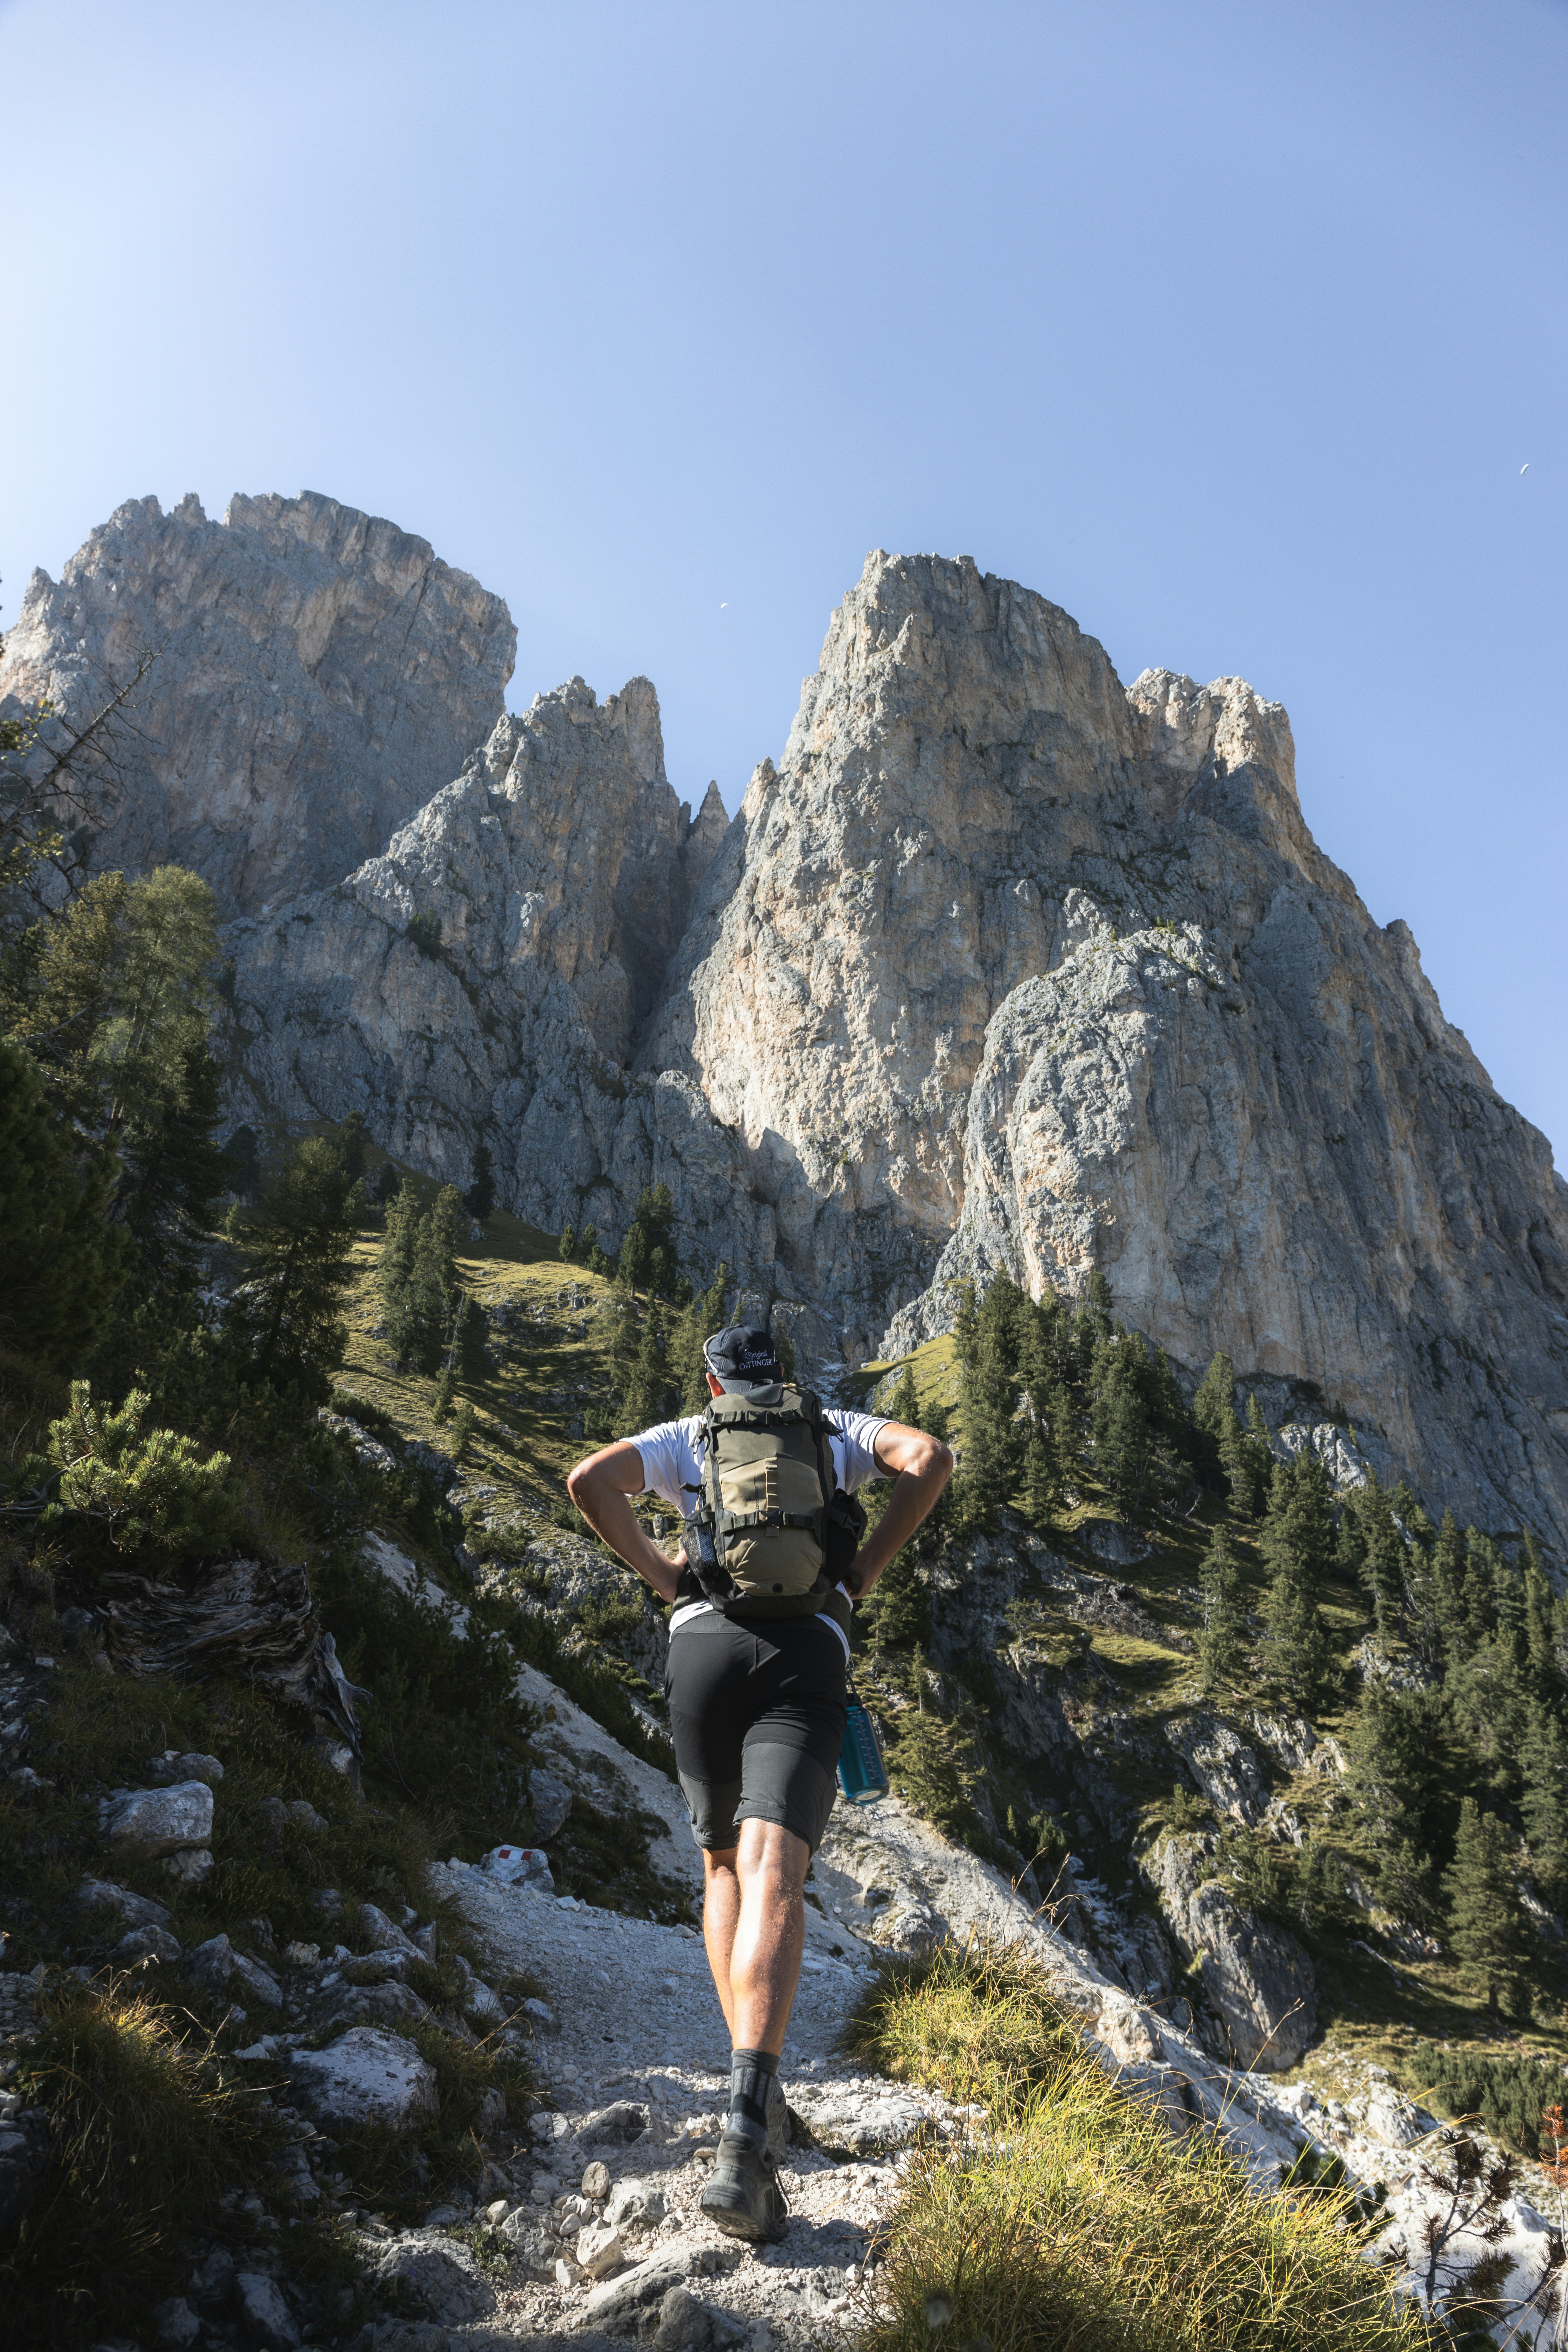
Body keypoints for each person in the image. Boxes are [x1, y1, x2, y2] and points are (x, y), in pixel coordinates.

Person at [566, 1321, 953, 2242]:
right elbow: (929, 1457)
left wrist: (662, 1572)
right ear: (782, 1381)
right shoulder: (831, 1430)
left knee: (725, 1875)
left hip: (702, 1648)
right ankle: (749, 2130)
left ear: (713, 1385)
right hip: (806, 1652)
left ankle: (748, 2105)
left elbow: (586, 1481)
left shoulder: (685, 1438)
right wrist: (865, 1568)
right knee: (779, 1874)